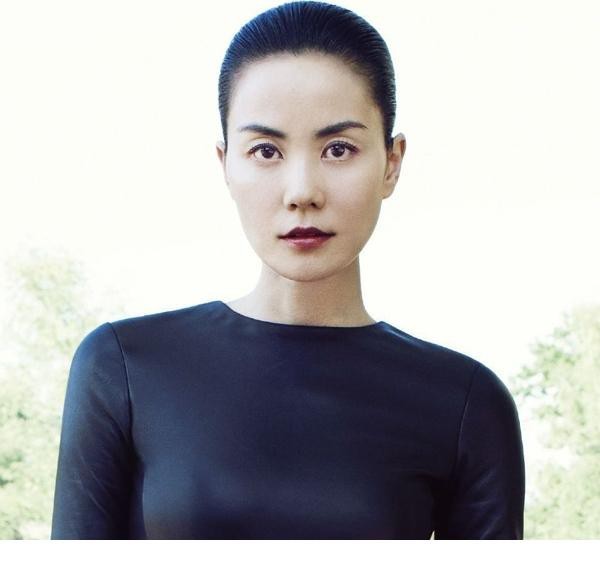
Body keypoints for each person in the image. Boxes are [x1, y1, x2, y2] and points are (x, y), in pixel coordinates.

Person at [51, 1, 525, 539]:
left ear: (392, 163)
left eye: (339, 149)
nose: (302, 191)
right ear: (225, 164)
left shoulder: (466, 404)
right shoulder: (122, 367)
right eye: (265, 151)